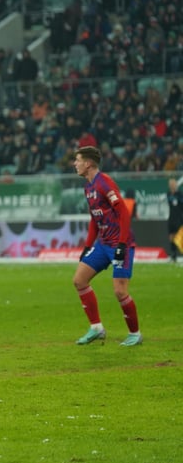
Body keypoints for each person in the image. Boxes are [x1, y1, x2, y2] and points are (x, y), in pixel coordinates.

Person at [71, 146, 141, 346]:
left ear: (88, 163)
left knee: (120, 291)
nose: (75, 164)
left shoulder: (104, 182)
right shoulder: (88, 187)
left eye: (78, 160)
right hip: (102, 244)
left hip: (120, 243)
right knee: (79, 280)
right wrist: (88, 246)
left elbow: (124, 212)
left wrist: (122, 244)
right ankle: (96, 328)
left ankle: (135, 334)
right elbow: (95, 219)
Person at [166, 177, 183, 262]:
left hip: (179, 218)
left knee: (178, 236)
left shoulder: (180, 194)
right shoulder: (168, 194)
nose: (172, 186)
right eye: (170, 184)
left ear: (176, 185)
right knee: (171, 236)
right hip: (171, 217)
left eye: (173, 184)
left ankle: (177, 253)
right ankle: (173, 254)